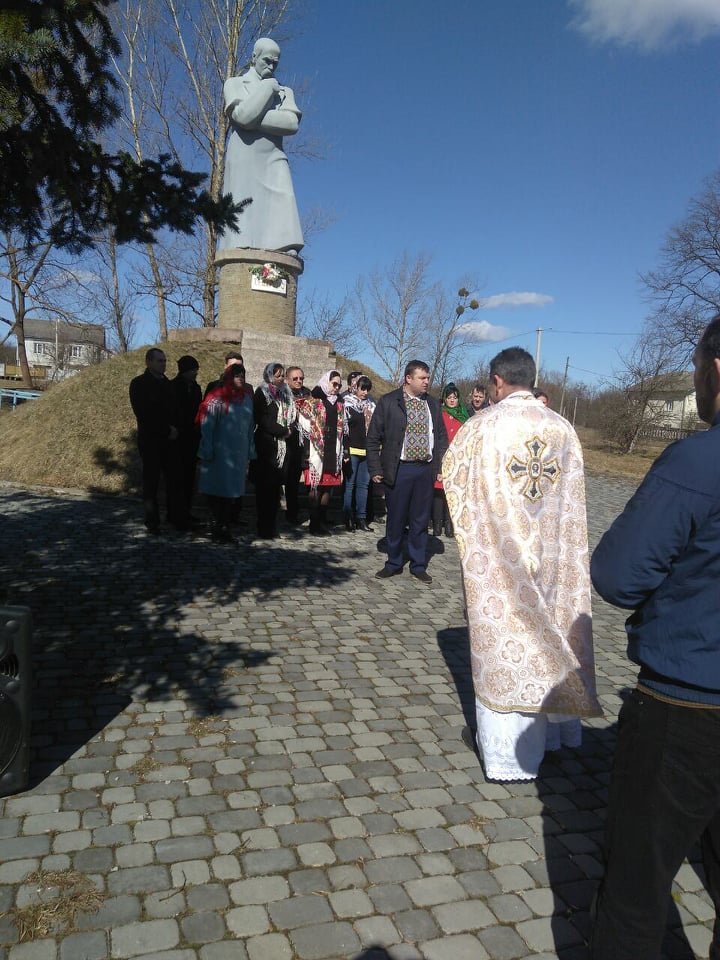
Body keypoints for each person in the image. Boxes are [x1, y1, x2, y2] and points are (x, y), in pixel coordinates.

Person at [589, 316, 720, 960]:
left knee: (636, 891)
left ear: (716, 369)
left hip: (688, 702)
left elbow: (618, 575)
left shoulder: (698, 461)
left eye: (696, 367)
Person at [442, 346, 601, 780]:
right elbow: (572, 501)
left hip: (501, 558)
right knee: (551, 629)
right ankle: (554, 735)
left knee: (506, 638)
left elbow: (454, 477)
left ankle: (509, 757)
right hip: (553, 557)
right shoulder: (563, 428)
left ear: (496, 381)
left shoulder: (482, 427)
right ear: (530, 378)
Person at [366, 360, 448, 584]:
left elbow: (441, 438)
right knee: (396, 518)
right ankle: (393, 562)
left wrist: (441, 467)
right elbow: (373, 438)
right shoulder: (389, 402)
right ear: (408, 378)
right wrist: (375, 468)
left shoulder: (432, 404)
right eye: (422, 378)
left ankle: (418, 564)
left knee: (420, 520)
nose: (427, 382)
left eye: (428, 378)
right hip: (399, 469)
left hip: (425, 470)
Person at [219, 37, 303, 253]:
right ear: (254, 57)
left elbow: (291, 123)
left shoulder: (285, 91)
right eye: (267, 60)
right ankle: (241, 251)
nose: (271, 66)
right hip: (244, 155)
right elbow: (242, 117)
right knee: (242, 204)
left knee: (282, 196)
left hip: (273, 156)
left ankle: (282, 246)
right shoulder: (234, 83)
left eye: (275, 63)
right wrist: (266, 90)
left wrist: (252, 117)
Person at [196, 364, 255, 543]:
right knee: (217, 490)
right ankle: (218, 525)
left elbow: (250, 426)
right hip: (219, 453)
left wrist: (250, 449)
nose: (241, 379)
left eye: (242, 375)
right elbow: (207, 426)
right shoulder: (217, 398)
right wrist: (207, 448)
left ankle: (224, 525)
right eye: (237, 375)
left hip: (238, 453)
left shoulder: (246, 399)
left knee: (231, 491)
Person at [129, 348, 183, 534]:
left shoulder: (168, 384)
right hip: (151, 440)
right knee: (151, 482)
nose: (163, 364)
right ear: (148, 362)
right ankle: (152, 521)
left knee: (174, 481)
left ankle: (174, 517)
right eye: (160, 360)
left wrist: (176, 429)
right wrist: (167, 429)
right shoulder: (139, 384)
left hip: (171, 440)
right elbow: (144, 413)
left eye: (165, 360)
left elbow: (176, 410)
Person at [295, 371, 346, 536]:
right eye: (334, 384)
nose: (336, 388)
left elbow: (342, 428)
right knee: (315, 488)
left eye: (339, 385)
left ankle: (322, 521)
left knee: (327, 488)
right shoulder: (313, 401)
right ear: (326, 382)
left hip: (332, 449)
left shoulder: (339, 404)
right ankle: (314, 523)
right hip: (315, 449)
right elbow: (303, 424)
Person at [253, 362, 295, 539]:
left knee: (276, 489)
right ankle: (264, 526)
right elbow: (262, 419)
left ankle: (272, 525)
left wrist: (288, 429)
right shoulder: (262, 392)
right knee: (265, 489)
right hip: (267, 446)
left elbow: (291, 415)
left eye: (282, 375)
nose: (281, 378)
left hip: (282, 446)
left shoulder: (286, 393)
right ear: (269, 375)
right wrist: (282, 430)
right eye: (277, 375)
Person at [432, 382, 468, 537]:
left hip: (457, 459)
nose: (452, 400)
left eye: (454, 397)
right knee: (439, 493)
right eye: (449, 397)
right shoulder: (440, 414)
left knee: (452, 494)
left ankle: (449, 524)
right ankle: (437, 524)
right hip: (441, 456)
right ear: (445, 399)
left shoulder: (463, 416)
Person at [342, 375, 376, 532]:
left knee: (364, 485)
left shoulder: (371, 405)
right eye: (362, 388)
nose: (365, 392)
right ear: (355, 387)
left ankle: (361, 518)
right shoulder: (347, 403)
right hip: (352, 449)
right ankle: (348, 517)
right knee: (350, 485)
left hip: (367, 450)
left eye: (367, 389)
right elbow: (343, 428)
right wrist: (345, 450)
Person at [171, 355, 202, 523]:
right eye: (193, 370)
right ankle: (176, 514)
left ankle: (186, 512)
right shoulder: (173, 387)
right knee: (177, 479)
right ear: (184, 370)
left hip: (192, 439)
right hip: (177, 439)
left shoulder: (196, 388)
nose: (196, 373)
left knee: (189, 479)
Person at [284, 366, 311, 525]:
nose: (299, 381)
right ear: (287, 379)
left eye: (301, 378)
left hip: (306, 441)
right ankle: (292, 511)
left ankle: (313, 511)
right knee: (291, 479)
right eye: (295, 378)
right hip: (290, 441)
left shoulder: (307, 393)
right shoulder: (283, 394)